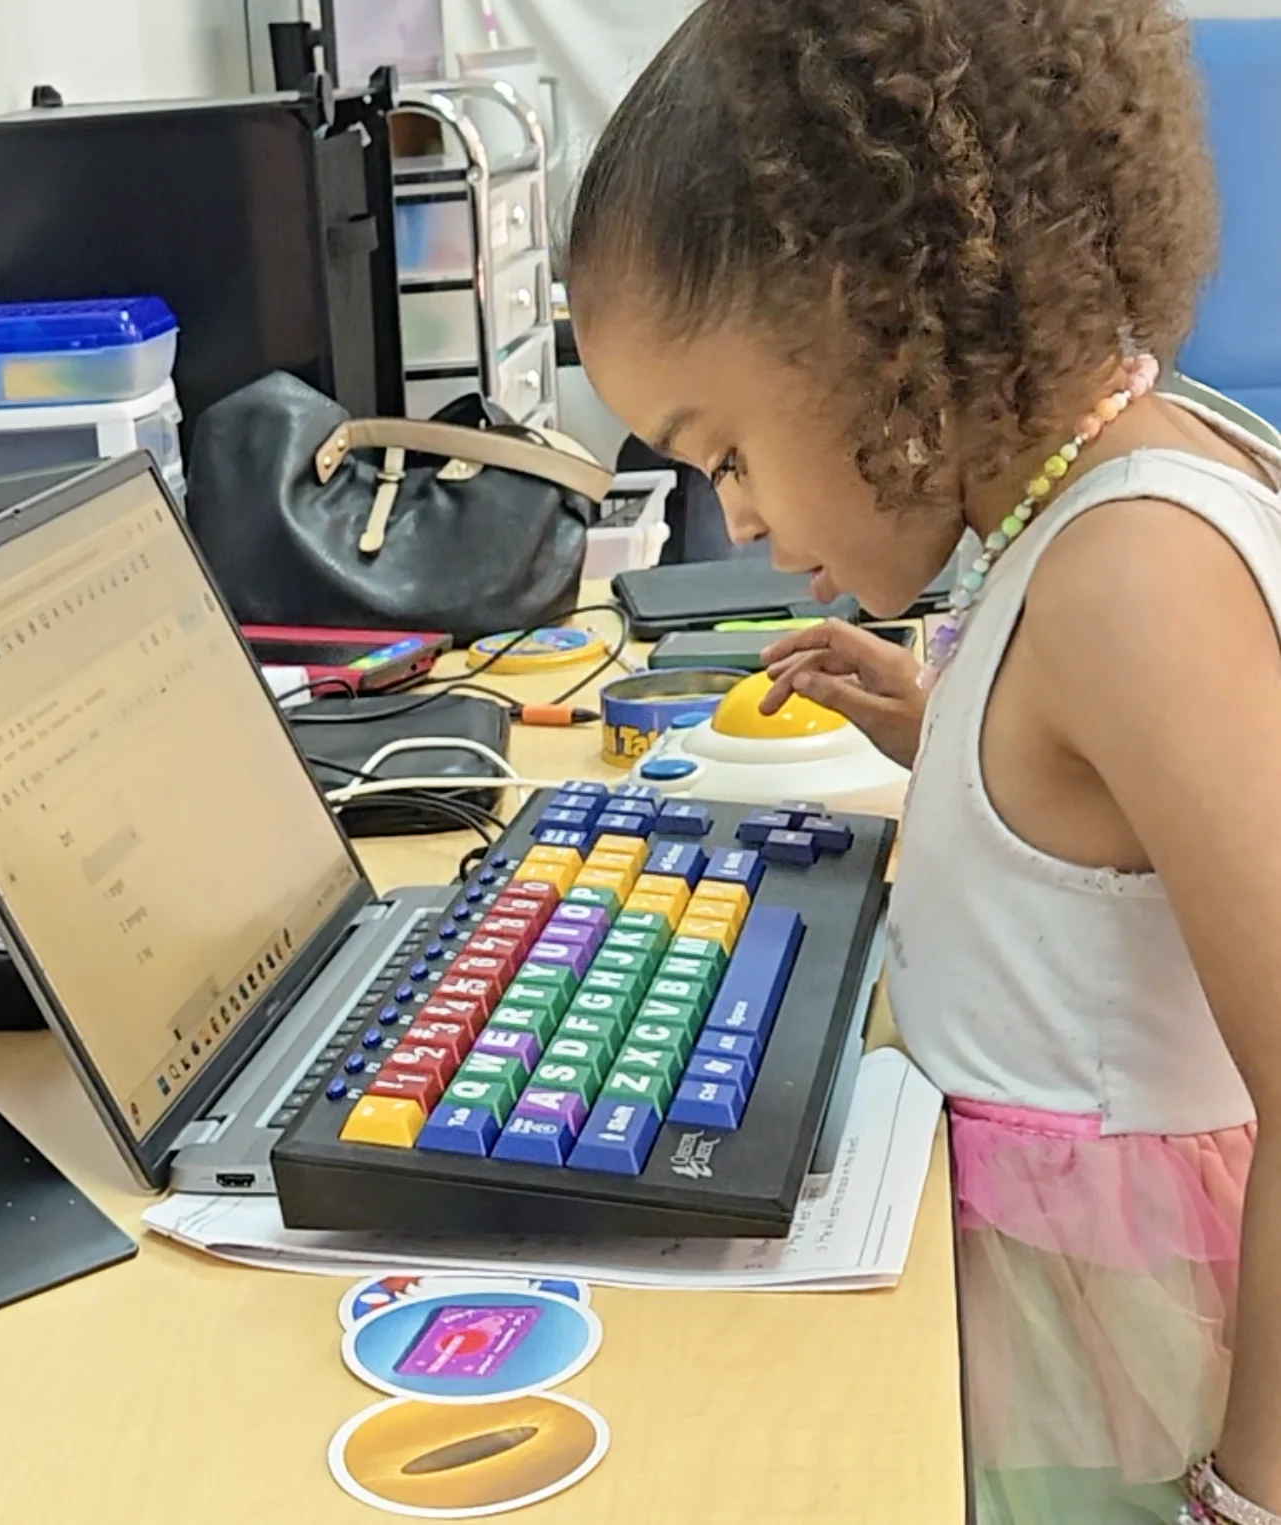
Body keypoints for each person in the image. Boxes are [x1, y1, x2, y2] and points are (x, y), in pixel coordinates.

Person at [565, 3, 1280, 1523]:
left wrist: (1247, 1495)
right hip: (1062, 1285)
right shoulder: (1077, 511)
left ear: (872, 314)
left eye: (725, 451)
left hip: (1117, 1358)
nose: (737, 520)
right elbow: (1103, 851)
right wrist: (945, 727)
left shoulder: (1134, 576)